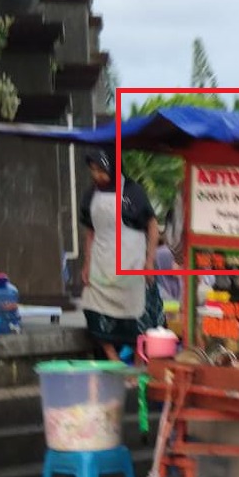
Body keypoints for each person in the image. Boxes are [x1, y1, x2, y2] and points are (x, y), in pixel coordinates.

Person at [80, 148, 162, 361]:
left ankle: (137, 363)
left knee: (138, 315)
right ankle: (113, 360)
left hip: (131, 263)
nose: (96, 175)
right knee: (93, 309)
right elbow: (90, 232)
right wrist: (87, 263)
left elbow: (152, 226)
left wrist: (149, 261)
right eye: (93, 170)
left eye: (101, 170)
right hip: (101, 262)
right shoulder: (91, 194)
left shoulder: (133, 192)